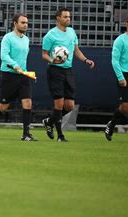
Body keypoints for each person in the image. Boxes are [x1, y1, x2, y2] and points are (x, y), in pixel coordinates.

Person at [41, 8, 95, 142]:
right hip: (55, 71)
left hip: (68, 71)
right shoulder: (50, 35)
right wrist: (53, 60)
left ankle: (49, 121)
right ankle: (60, 135)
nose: (68, 19)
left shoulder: (72, 32)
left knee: (70, 106)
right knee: (59, 104)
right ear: (58, 18)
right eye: (65, 17)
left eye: (69, 17)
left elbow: (76, 50)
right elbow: (44, 54)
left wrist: (85, 60)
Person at [0, 15, 36, 141]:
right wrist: (15, 66)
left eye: (27, 23)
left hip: (23, 76)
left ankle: (26, 134)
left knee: (27, 102)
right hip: (9, 76)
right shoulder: (8, 38)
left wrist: (25, 71)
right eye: (23, 22)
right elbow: (4, 56)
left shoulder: (26, 39)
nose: (25, 25)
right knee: (4, 106)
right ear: (15, 23)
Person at [105, 13, 128, 143]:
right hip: (125, 75)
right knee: (125, 106)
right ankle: (111, 124)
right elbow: (115, 60)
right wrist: (120, 77)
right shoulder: (120, 40)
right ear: (127, 24)